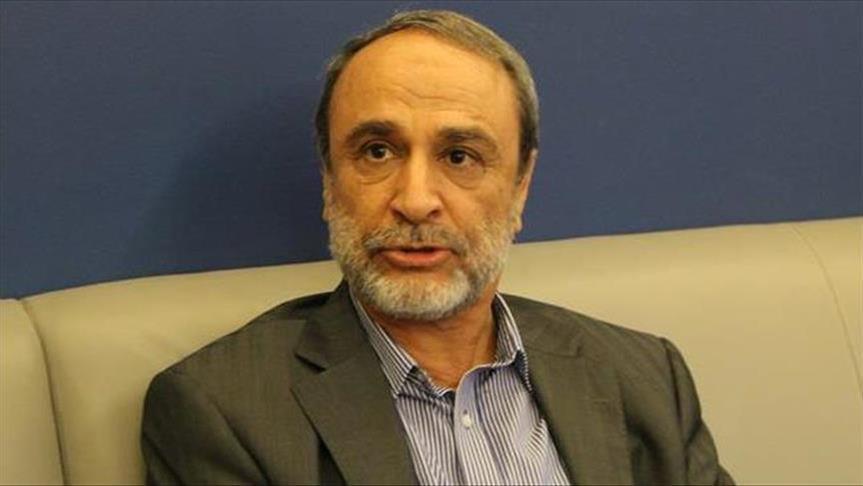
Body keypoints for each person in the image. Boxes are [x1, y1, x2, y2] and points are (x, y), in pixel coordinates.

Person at [141, 9, 733, 485]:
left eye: (459, 156)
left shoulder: (646, 378)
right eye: (377, 151)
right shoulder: (224, 411)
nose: (416, 199)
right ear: (329, 181)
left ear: (520, 186)